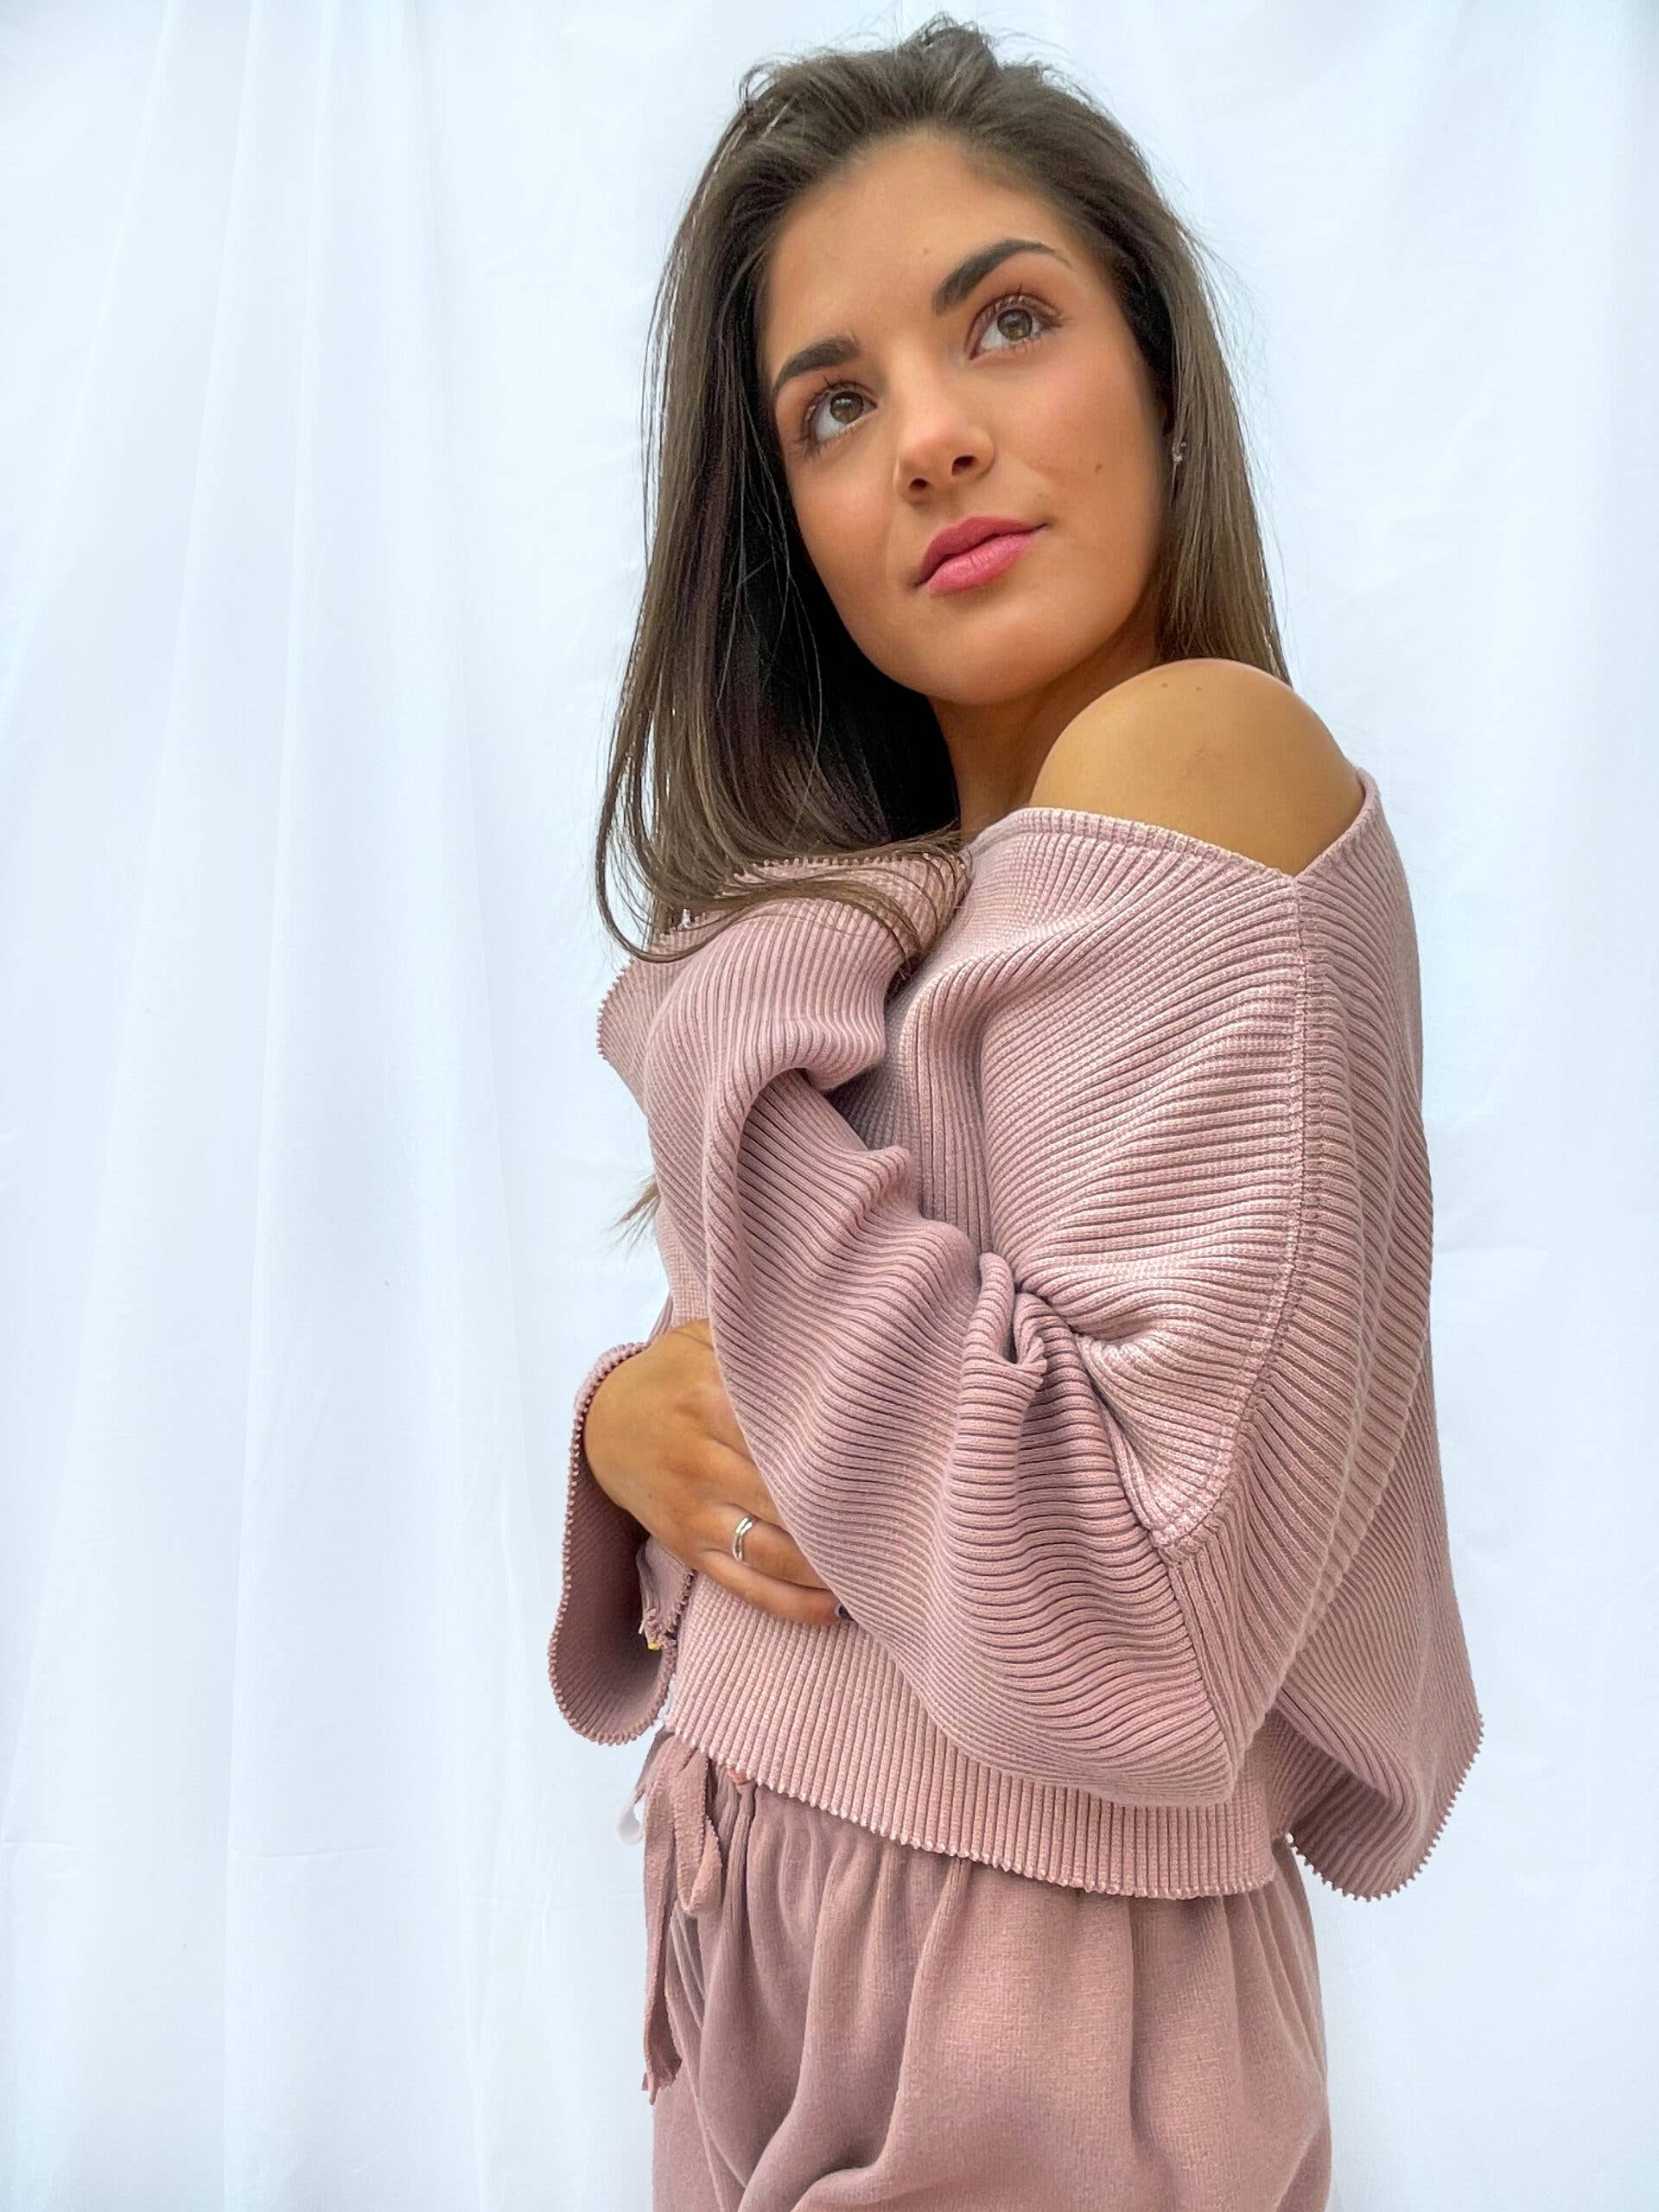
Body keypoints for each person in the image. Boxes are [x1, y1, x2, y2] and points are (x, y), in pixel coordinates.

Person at [549, 18, 1483, 2209]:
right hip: (788, 1943)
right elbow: (862, 1406)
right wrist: (621, 1432)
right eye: (836, 404)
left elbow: (1126, 1606)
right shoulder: (914, 910)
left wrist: (716, 1045)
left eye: (1008, 321)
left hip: (1020, 2010)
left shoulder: (1196, 761)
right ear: (787, 526)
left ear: (1160, 376)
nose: (934, 438)